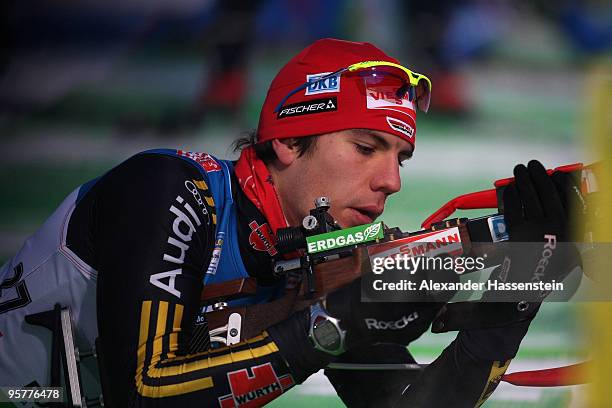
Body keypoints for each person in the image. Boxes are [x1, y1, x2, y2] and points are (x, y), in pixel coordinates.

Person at [0, 38, 579, 407]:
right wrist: (333, 325)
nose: (392, 181)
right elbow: (145, 393)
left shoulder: (322, 255)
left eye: (399, 158)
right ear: (287, 141)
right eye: (365, 146)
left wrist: (513, 295)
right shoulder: (171, 192)